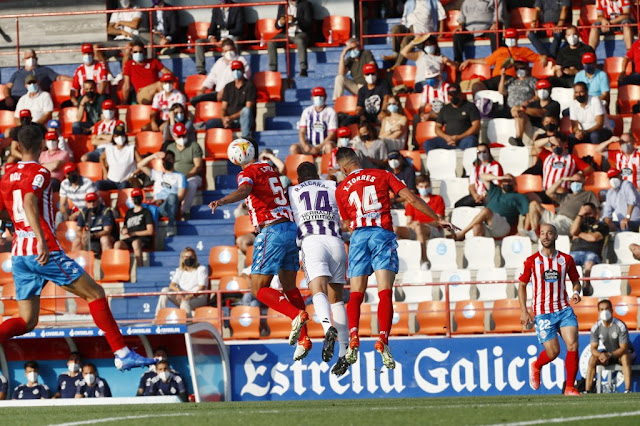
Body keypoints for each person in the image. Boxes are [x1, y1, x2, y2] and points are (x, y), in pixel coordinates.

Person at [334, 147, 454, 369]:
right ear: (359, 159)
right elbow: (410, 198)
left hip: (359, 237)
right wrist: (437, 219)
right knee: (385, 292)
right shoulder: (383, 174)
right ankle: (383, 339)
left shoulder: (341, 189)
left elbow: (346, 222)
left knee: (357, 294)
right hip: (382, 234)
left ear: (342, 168)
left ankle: (353, 336)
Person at [209, 138, 310, 356]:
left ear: (234, 159)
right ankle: (304, 339)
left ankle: (296, 316)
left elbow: (245, 190)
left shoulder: (245, 174)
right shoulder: (269, 168)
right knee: (289, 286)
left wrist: (223, 201)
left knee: (258, 289)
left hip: (271, 230)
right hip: (290, 228)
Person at [288, 162, 349, 367]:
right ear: (317, 175)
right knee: (337, 299)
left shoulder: (292, 191)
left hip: (311, 240)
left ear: (298, 179)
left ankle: (326, 328)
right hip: (336, 241)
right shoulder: (331, 185)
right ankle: (343, 351)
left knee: (318, 290)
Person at [519, 223, 582, 396]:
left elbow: (576, 281)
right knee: (553, 352)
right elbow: (522, 286)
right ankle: (536, 365)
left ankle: (570, 387)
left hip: (563, 309)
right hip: (543, 312)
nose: (546, 236)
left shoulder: (566, 260)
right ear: (539, 237)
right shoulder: (532, 261)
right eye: (543, 233)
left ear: (556, 237)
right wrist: (524, 311)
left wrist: (576, 292)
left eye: (549, 233)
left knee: (573, 344)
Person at [460, 28, 545, 94]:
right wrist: (470, 60)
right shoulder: (500, 50)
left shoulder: (523, 50)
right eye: (509, 38)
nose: (511, 40)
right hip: (496, 78)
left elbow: (539, 58)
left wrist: (544, 57)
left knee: (506, 88)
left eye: (512, 38)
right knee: (477, 86)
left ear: (517, 38)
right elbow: (486, 61)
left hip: (510, 78)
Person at [454, 173, 529, 240]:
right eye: (505, 181)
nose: (507, 183)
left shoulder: (519, 197)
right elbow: (482, 176)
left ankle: (462, 233)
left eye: (510, 181)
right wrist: (501, 177)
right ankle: (479, 253)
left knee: (486, 211)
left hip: (503, 224)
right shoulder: (495, 190)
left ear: (515, 184)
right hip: (489, 224)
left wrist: (525, 231)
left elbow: (528, 214)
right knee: (477, 227)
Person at [585, 299, 635, 393]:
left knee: (625, 357)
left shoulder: (620, 325)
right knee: (592, 359)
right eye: (602, 309)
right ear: (598, 311)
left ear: (612, 310)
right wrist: (601, 355)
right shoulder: (596, 327)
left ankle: (627, 390)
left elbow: (624, 348)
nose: (604, 312)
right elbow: (593, 348)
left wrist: (609, 355)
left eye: (607, 309)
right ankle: (587, 390)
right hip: (609, 353)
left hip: (624, 353)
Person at [396, 174, 445, 267]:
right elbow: (408, 222)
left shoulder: (438, 199)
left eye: (426, 186)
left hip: (432, 229)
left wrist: (421, 224)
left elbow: (439, 221)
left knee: (419, 228)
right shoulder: (413, 200)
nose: (424, 188)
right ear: (417, 187)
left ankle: (424, 260)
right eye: (421, 186)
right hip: (416, 228)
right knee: (394, 230)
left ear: (430, 185)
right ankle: (399, 259)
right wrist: (414, 224)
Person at [528, 174, 600, 236]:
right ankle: (533, 232)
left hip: (569, 222)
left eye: (577, 181)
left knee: (549, 227)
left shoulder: (588, 194)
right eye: (572, 181)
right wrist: (561, 180)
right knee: (533, 204)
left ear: (583, 182)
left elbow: (597, 209)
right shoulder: (566, 195)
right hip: (556, 217)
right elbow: (548, 193)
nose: (575, 183)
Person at [134, 151, 186, 236]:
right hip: (155, 206)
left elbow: (180, 196)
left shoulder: (180, 177)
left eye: (168, 159)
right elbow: (140, 165)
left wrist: (164, 200)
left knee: (172, 196)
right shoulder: (158, 175)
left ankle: (171, 227)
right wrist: (153, 156)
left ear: (173, 160)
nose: (166, 161)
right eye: (164, 160)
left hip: (167, 206)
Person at [384, 0, 446, 69]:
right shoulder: (409, 3)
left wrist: (441, 33)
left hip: (424, 32)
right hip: (409, 28)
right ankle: (396, 54)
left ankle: (398, 66)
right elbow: (404, 19)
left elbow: (442, 17)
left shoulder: (434, 2)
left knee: (406, 40)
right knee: (396, 29)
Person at [0, 49, 68, 111]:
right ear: (23, 60)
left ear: (37, 59)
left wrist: (75, 79)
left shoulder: (45, 71)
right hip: (16, 99)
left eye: (33, 57)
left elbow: (58, 78)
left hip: (35, 99)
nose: (31, 59)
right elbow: (8, 87)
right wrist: (7, 97)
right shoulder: (17, 73)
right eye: (28, 58)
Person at [205, 61, 256, 138]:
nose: (236, 71)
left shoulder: (250, 86)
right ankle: (210, 148)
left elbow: (248, 107)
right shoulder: (228, 87)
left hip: (243, 120)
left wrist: (231, 118)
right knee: (210, 123)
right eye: (234, 69)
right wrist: (224, 119)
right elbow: (223, 108)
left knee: (246, 110)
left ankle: (246, 138)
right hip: (229, 120)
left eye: (238, 69)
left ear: (243, 70)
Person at [423, 83, 480, 152]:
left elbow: (476, 125)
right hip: (448, 140)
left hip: (464, 139)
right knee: (428, 143)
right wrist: (447, 137)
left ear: (460, 94)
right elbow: (437, 127)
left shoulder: (470, 106)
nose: (453, 97)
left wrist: (459, 137)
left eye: (455, 95)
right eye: (451, 95)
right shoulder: (445, 108)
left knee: (471, 141)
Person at [192, 39, 250, 105]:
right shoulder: (220, 62)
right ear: (223, 52)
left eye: (231, 50)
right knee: (195, 100)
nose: (229, 53)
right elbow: (211, 77)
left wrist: (225, 90)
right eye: (226, 51)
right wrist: (203, 89)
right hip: (217, 93)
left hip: (234, 92)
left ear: (235, 49)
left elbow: (244, 78)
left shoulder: (241, 61)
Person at [165, 122, 204, 219]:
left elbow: (198, 166)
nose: (182, 138)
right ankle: (167, 210)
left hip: (192, 177)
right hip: (174, 177)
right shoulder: (170, 148)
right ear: (174, 136)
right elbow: (167, 166)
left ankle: (183, 210)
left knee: (191, 185)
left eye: (183, 135)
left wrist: (185, 177)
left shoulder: (194, 146)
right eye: (179, 136)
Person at [195, 1, 245, 75]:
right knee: (199, 42)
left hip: (231, 38)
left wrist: (226, 39)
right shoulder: (216, 9)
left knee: (236, 40)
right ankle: (201, 71)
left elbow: (239, 29)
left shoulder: (237, 7)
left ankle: (234, 65)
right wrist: (211, 38)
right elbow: (212, 28)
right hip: (219, 39)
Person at [155, 247, 208, 316]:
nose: (189, 259)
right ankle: (158, 316)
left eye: (191, 257)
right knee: (165, 290)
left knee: (184, 303)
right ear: (182, 258)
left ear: (195, 258)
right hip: (183, 296)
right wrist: (179, 291)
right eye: (186, 257)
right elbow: (172, 285)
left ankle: (188, 323)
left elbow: (202, 288)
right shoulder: (180, 270)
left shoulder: (201, 269)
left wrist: (188, 297)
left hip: (198, 297)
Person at [569, 202, 607, 295]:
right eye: (585, 213)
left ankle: (586, 288)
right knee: (565, 264)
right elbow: (573, 231)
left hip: (592, 252)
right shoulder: (580, 225)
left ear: (595, 213)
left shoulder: (603, 226)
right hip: (576, 252)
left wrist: (579, 234)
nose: (587, 216)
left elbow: (594, 238)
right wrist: (580, 215)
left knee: (589, 264)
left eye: (589, 213)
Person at [268, 0, 313, 77]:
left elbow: (308, 24)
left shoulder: (305, 4)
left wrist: (294, 20)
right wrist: (280, 22)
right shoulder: (282, 5)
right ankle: (273, 70)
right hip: (286, 33)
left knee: (300, 41)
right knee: (271, 42)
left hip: (299, 33)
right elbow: (277, 25)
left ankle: (303, 69)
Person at [497, 61, 537, 147]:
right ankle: (519, 139)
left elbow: (537, 95)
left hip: (524, 108)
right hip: (509, 108)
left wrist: (529, 101)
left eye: (522, 68)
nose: (520, 70)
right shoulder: (512, 80)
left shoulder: (532, 80)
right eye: (517, 69)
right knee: (516, 110)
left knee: (519, 112)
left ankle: (518, 138)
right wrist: (502, 76)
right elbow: (501, 91)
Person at [121, 40, 172, 105]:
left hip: (155, 92)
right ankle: (169, 103)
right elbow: (126, 85)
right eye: (135, 52)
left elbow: (168, 73)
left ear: (144, 52)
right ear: (131, 53)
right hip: (142, 94)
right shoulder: (129, 65)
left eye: (140, 52)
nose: (138, 54)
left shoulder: (153, 62)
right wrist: (124, 101)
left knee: (162, 85)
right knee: (159, 84)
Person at [291, 87, 337, 155]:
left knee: (329, 147)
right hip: (310, 144)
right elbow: (302, 132)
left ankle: (329, 165)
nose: (318, 98)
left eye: (321, 96)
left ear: (325, 97)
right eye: (316, 96)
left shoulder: (331, 112)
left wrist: (320, 146)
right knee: (294, 148)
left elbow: (332, 134)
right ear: (312, 97)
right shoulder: (307, 111)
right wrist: (304, 145)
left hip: (324, 145)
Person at [114, 188, 154, 265]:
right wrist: (124, 230)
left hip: (143, 239)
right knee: (117, 244)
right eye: (134, 197)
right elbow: (124, 227)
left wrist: (134, 233)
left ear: (142, 198)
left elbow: (150, 231)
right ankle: (120, 268)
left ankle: (140, 269)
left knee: (136, 243)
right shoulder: (129, 212)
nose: (136, 199)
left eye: (138, 197)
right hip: (130, 239)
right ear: (131, 199)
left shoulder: (146, 212)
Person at [97, 124, 141, 191]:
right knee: (98, 184)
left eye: (122, 135)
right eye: (117, 135)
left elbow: (141, 163)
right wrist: (105, 171)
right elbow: (101, 158)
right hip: (111, 180)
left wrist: (133, 174)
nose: (120, 137)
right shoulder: (109, 148)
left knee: (124, 186)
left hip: (125, 180)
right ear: (114, 137)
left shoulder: (131, 148)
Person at [569, 82, 613, 147]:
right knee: (572, 137)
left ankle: (598, 156)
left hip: (602, 130)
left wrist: (585, 132)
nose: (579, 94)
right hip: (585, 132)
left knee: (594, 136)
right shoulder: (573, 105)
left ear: (586, 92)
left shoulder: (595, 101)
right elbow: (574, 126)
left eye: (581, 92)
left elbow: (599, 124)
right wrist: (578, 132)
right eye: (576, 92)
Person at [56, 163, 97, 227]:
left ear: (77, 172)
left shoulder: (87, 183)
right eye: (68, 174)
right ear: (65, 175)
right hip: (79, 210)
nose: (71, 175)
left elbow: (92, 205)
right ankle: (57, 234)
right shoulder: (64, 184)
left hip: (92, 210)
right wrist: (65, 214)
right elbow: (62, 204)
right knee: (59, 214)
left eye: (73, 172)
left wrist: (77, 214)